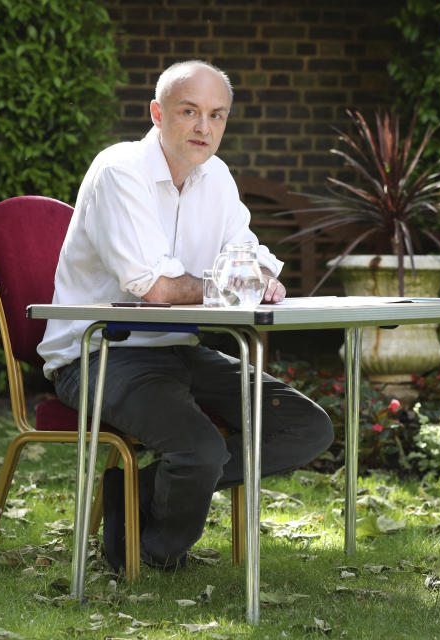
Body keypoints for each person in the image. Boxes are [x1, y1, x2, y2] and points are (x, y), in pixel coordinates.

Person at [37, 60, 334, 571]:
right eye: (189, 111)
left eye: (217, 115)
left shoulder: (214, 176)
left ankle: (136, 493)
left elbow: (252, 255)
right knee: (200, 451)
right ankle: (150, 555)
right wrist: (236, 285)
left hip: (179, 348)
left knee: (306, 428)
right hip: (100, 353)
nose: (204, 127)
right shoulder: (118, 172)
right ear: (157, 113)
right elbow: (155, 288)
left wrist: (258, 277)